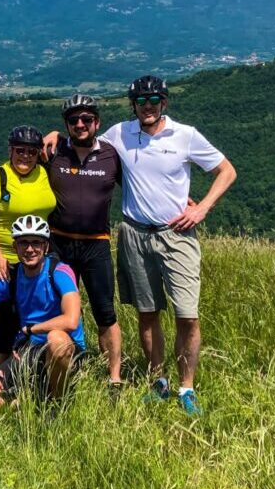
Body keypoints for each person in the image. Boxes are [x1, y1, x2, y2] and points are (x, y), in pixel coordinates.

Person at [99, 75, 237, 416]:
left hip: (176, 234)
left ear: (165, 102)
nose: (148, 105)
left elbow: (226, 170)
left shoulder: (185, 135)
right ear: (133, 105)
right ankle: (158, 381)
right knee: (147, 313)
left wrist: (203, 208)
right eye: (141, 100)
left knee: (187, 315)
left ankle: (186, 387)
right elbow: (85, 144)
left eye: (154, 99)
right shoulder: (119, 133)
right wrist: (55, 136)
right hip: (134, 233)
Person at [0, 216, 85, 415]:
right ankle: (34, 392)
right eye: (23, 242)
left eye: (36, 242)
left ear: (46, 247)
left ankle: (56, 405)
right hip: (29, 350)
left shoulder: (59, 272)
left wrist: (30, 330)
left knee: (56, 339)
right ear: (15, 247)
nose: (30, 249)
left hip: (65, 348)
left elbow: (71, 320)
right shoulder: (9, 276)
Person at [46, 93, 125, 389]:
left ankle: (114, 378)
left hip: (97, 245)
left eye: (87, 119)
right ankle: (64, 366)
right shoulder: (53, 152)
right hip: (60, 245)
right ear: (66, 124)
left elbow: (143, 183)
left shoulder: (111, 154)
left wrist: (176, 201)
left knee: (105, 311)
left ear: (97, 122)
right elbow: (21, 167)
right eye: (73, 120)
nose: (80, 124)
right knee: (60, 311)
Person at [0, 125, 56, 356]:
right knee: (8, 313)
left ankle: (33, 358)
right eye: (20, 150)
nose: (25, 156)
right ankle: (3, 366)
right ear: (10, 150)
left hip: (36, 256)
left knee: (36, 309)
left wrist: (56, 133)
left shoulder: (44, 173)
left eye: (32, 152)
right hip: (3, 257)